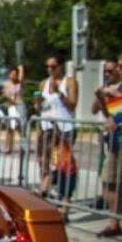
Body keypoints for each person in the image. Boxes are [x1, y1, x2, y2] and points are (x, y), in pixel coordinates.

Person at [93, 51, 122, 237]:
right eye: (120, 66)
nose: (121, 70)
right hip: (116, 142)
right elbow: (111, 114)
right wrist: (101, 97)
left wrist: (116, 94)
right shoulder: (118, 86)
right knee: (109, 182)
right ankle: (114, 222)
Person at [36, 52, 78, 197]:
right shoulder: (43, 83)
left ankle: (65, 198)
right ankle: (45, 187)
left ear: (60, 67)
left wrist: (59, 93)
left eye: (53, 66)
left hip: (63, 129)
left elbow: (72, 105)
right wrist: (38, 104)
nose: (50, 70)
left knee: (64, 165)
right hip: (46, 128)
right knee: (43, 160)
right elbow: (40, 107)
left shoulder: (70, 81)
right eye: (47, 66)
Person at [1, 65, 25, 153]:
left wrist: (20, 69)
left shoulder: (19, 83)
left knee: (21, 127)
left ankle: (24, 146)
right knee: (10, 128)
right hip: (10, 106)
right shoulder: (6, 84)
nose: (13, 76)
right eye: (12, 74)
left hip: (19, 105)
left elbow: (21, 77)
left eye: (15, 74)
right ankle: (8, 147)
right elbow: (4, 94)